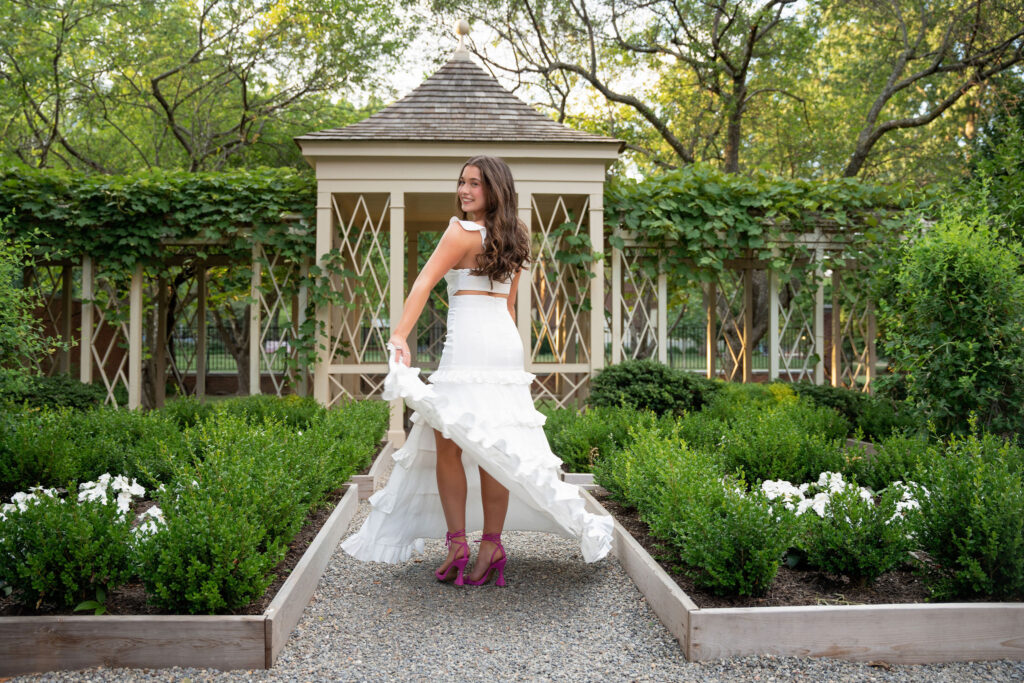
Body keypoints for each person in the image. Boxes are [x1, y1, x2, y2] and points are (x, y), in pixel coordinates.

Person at [340, 155, 612, 586]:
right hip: (503, 342)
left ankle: (458, 544)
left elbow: (423, 283)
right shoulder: (517, 238)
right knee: (494, 446)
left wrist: (399, 336)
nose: (464, 191)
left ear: (495, 190)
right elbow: (507, 305)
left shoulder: (459, 230)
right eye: (462, 182)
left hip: (469, 345)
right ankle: (491, 545)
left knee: (452, 443)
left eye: (474, 184)